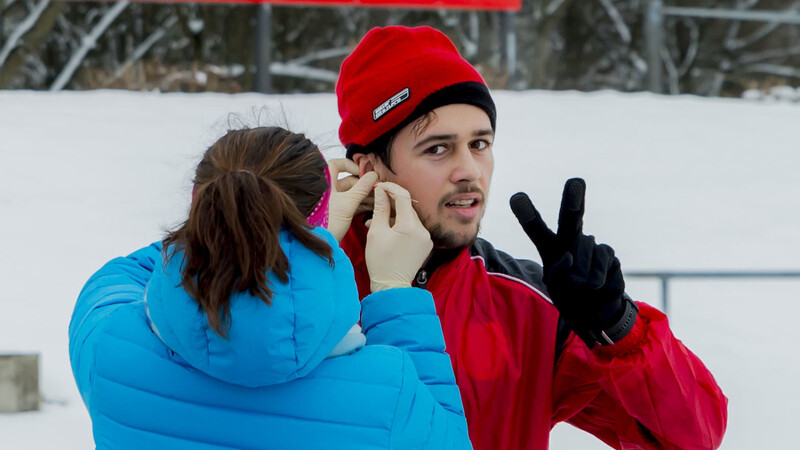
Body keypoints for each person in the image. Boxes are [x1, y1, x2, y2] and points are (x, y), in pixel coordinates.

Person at [332, 26, 728, 450]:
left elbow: (692, 438)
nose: (469, 170)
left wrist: (618, 329)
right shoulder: (298, 294)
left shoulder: (528, 306)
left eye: (479, 143)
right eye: (437, 149)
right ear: (369, 167)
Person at [68, 126, 473, 449]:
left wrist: (231, 228)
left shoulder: (111, 350)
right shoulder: (388, 391)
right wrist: (393, 290)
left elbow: (119, 277)